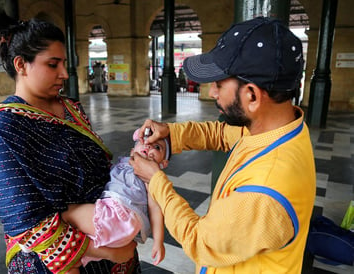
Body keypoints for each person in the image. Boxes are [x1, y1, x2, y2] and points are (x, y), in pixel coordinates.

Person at [129, 17, 316, 274]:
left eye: (219, 84)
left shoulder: (264, 191)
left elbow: (200, 241)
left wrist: (156, 180)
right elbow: (220, 133)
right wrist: (170, 133)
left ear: (251, 94)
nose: (213, 92)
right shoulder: (278, 129)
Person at [0, 19, 139, 274]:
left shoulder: (71, 108)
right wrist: (108, 251)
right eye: (53, 64)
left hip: (109, 240)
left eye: (64, 63)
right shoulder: (4, 126)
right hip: (54, 262)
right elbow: (22, 219)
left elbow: (97, 164)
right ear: (21, 64)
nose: (64, 73)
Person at [62, 129, 170, 273]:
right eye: (143, 141)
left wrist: (158, 241)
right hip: (119, 227)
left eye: (157, 147)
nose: (149, 146)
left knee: (65, 213)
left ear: (163, 163)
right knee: (72, 261)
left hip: (118, 216)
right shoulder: (125, 164)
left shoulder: (150, 176)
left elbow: (155, 208)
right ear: (132, 151)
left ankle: (35, 237)